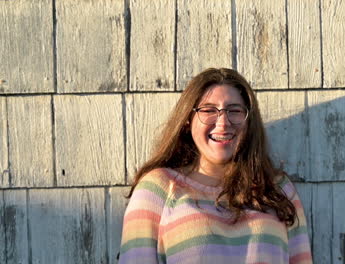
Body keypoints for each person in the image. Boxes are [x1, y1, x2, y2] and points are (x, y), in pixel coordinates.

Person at [118, 68, 313, 264]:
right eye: (209, 110)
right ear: (187, 119)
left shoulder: (278, 189)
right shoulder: (158, 188)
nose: (223, 123)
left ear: (248, 122)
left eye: (234, 111)